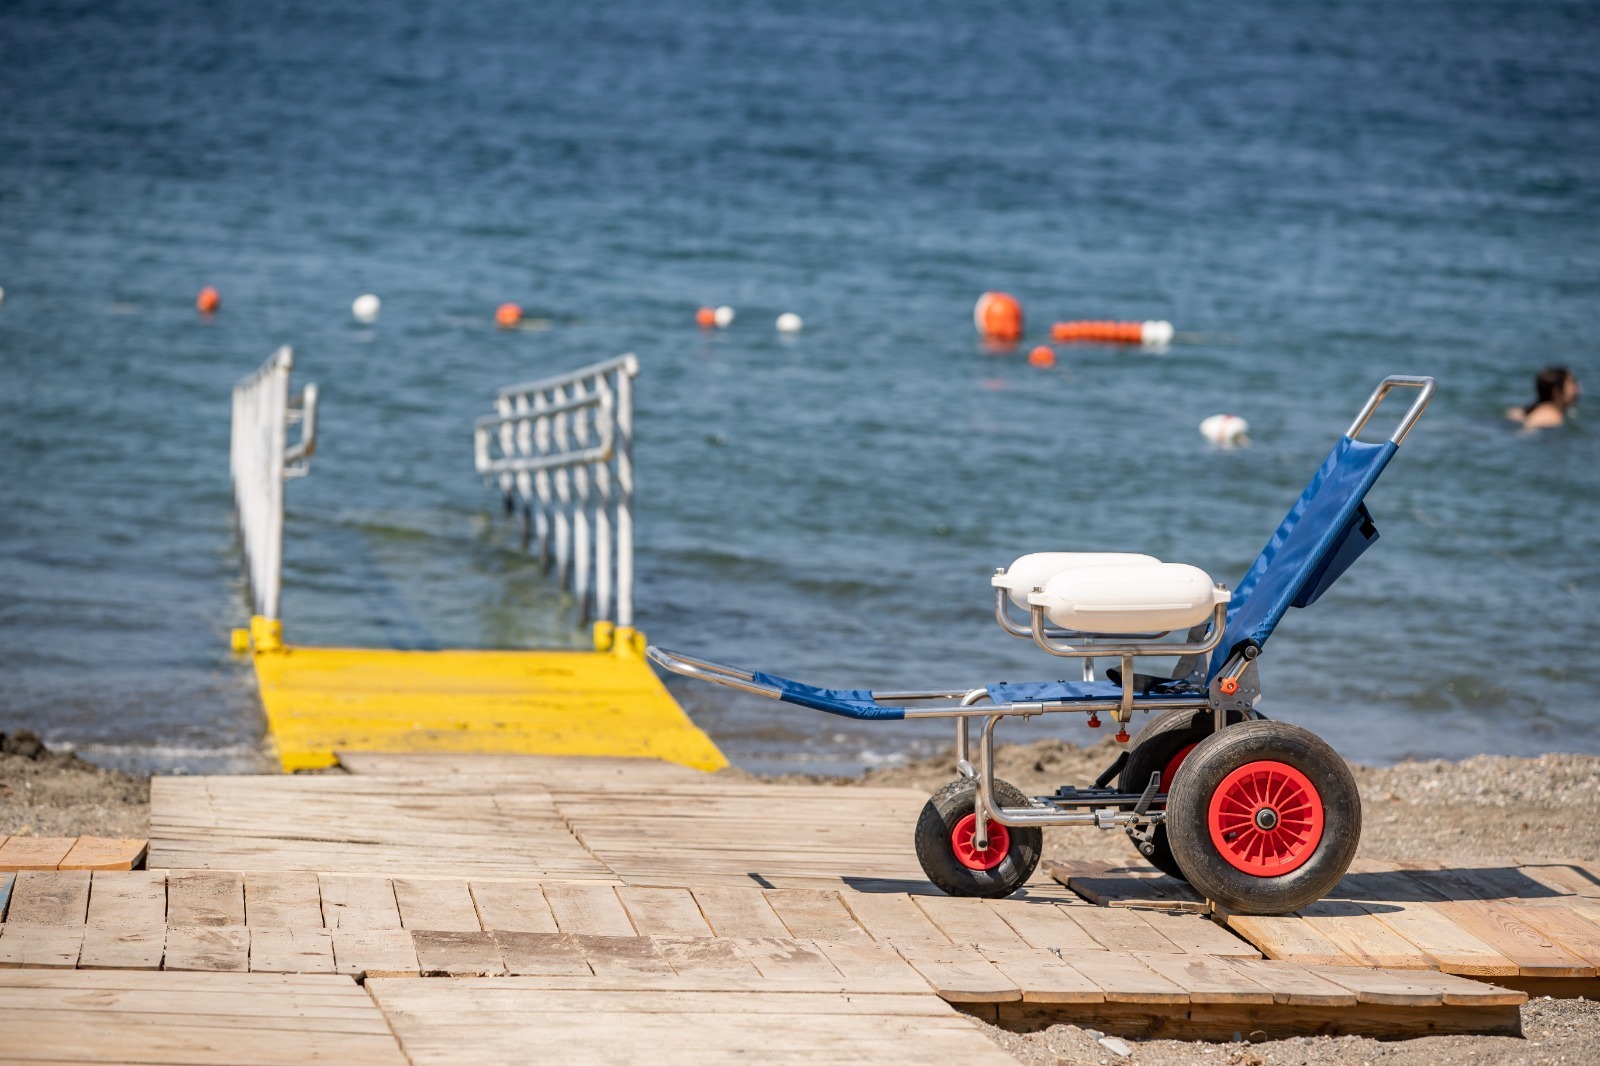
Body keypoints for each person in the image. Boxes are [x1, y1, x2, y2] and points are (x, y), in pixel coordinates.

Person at [1507, 366, 1581, 429]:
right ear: (1557, 392)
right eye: (1572, 384)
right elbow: (1525, 435)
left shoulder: (1525, 411)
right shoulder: (1552, 417)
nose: (1578, 390)